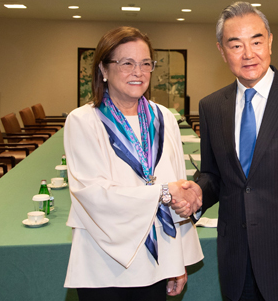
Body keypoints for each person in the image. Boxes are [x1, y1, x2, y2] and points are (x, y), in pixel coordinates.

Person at [174, 1, 278, 301]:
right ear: (222, 51)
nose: (248, 54)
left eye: (257, 41)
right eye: (236, 45)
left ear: (270, 42)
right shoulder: (212, 107)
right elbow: (214, 174)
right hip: (235, 254)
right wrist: (197, 193)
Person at [63, 26, 203, 300]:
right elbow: (94, 196)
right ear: (103, 69)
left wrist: (179, 261)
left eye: (145, 63)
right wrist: (162, 192)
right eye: (126, 63)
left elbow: (177, 188)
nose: (138, 72)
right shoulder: (83, 121)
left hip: (159, 262)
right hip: (105, 265)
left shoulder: (164, 118)